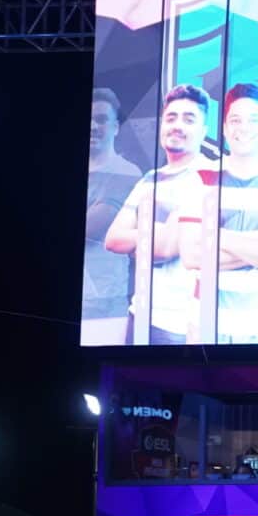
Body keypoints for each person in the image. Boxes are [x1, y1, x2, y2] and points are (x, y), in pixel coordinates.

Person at [105, 84, 211, 345]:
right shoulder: (150, 179)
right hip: (139, 314)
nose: (177, 126)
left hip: (179, 325)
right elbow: (113, 240)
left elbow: (164, 248)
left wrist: (138, 238)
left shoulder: (208, 177)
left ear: (204, 131)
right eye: (171, 118)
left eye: (189, 119)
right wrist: (157, 232)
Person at [216, 83, 258, 344]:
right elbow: (191, 255)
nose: (243, 128)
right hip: (210, 327)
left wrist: (215, 235)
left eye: (254, 120)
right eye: (235, 120)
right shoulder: (203, 176)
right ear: (224, 127)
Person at [84, 88, 142, 346]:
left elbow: (89, 229)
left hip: (104, 303)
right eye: (89, 119)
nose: (93, 127)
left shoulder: (126, 173)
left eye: (101, 120)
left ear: (116, 127)